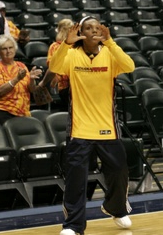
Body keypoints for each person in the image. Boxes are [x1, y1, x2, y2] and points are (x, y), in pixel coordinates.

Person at [49, 17, 135, 235]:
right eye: (88, 28)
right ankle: (73, 226)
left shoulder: (109, 53)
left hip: (107, 126)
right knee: (76, 179)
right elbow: (55, 66)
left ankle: (115, 208)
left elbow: (129, 66)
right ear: (81, 32)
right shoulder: (71, 54)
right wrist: (66, 44)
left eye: (97, 27)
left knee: (119, 172)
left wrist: (111, 42)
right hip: (80, 128)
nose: (94, 30)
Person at [0, 34, 43, 125]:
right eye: (4, 49)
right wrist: (17, 78)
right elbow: (0, 91)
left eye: (11, 47)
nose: (8, 51)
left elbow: (31, 89)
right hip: (4, 113)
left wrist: (32, 80)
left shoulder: (21, 66)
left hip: (23, 112)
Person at [49, 19, 74, 112]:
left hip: (70, 85)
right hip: (70, 86)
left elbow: (52, 67)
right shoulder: (77, 45)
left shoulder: (55, 46)